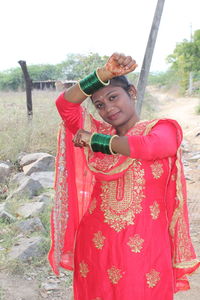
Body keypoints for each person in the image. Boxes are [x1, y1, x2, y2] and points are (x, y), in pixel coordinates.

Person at [48, 53, 199, 300]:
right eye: (99, 105)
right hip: (96, 245)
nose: (108, 108)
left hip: (146, 249)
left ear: (132, 92)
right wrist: (103, 74)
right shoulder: (96, 129)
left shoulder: (162, 129)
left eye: (113, 97)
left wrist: (94, 141)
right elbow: (65, 105)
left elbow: (150, 147)